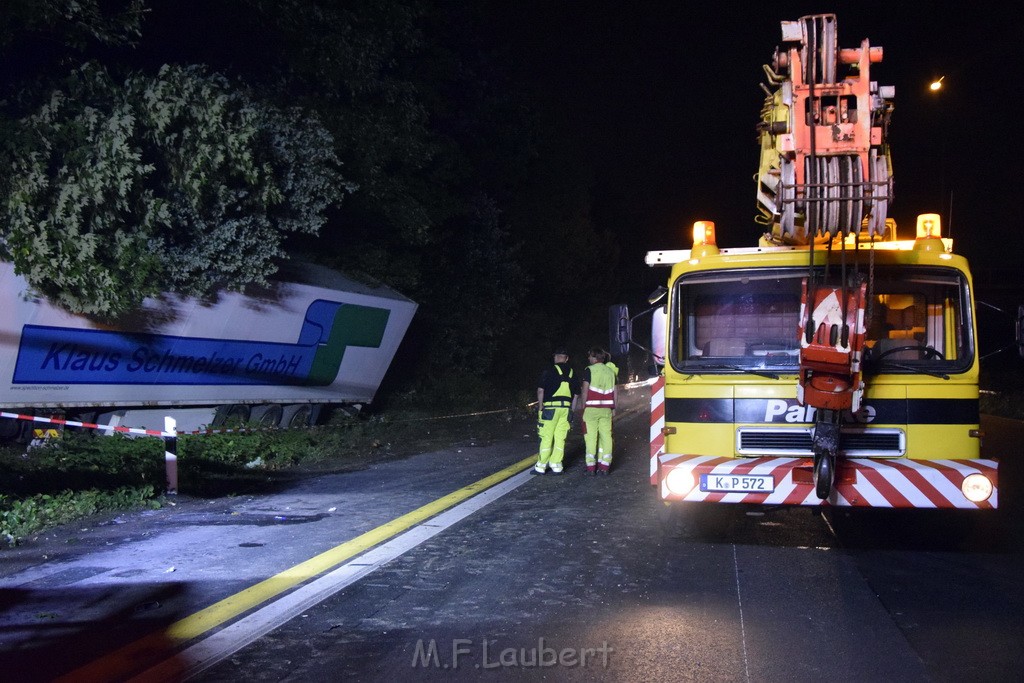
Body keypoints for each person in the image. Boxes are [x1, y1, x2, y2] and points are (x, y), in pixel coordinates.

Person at [534, 348, 579, 475]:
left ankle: (541, 465)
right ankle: (556, 465)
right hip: (565, 409)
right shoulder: (572, 373)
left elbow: (540, 390)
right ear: (566, 358)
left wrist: (541, 407)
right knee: (560, 437)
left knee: (546, 436)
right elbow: (576, 396)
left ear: (556, 357)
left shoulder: (548, 371)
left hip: (550, 409)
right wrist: (572, 411)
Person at [579, 347, 618, 475]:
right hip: (606, 409)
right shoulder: (610, 372)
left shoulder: (589, 370)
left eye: (590, 356)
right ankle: (605, 466)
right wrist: (614, 408)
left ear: (595, 357)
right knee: (606, 437)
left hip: (591, 409)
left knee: (591, 438)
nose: (589, 358)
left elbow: (585, 390)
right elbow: (615, 392)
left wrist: (583, 407)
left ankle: (591, 467)